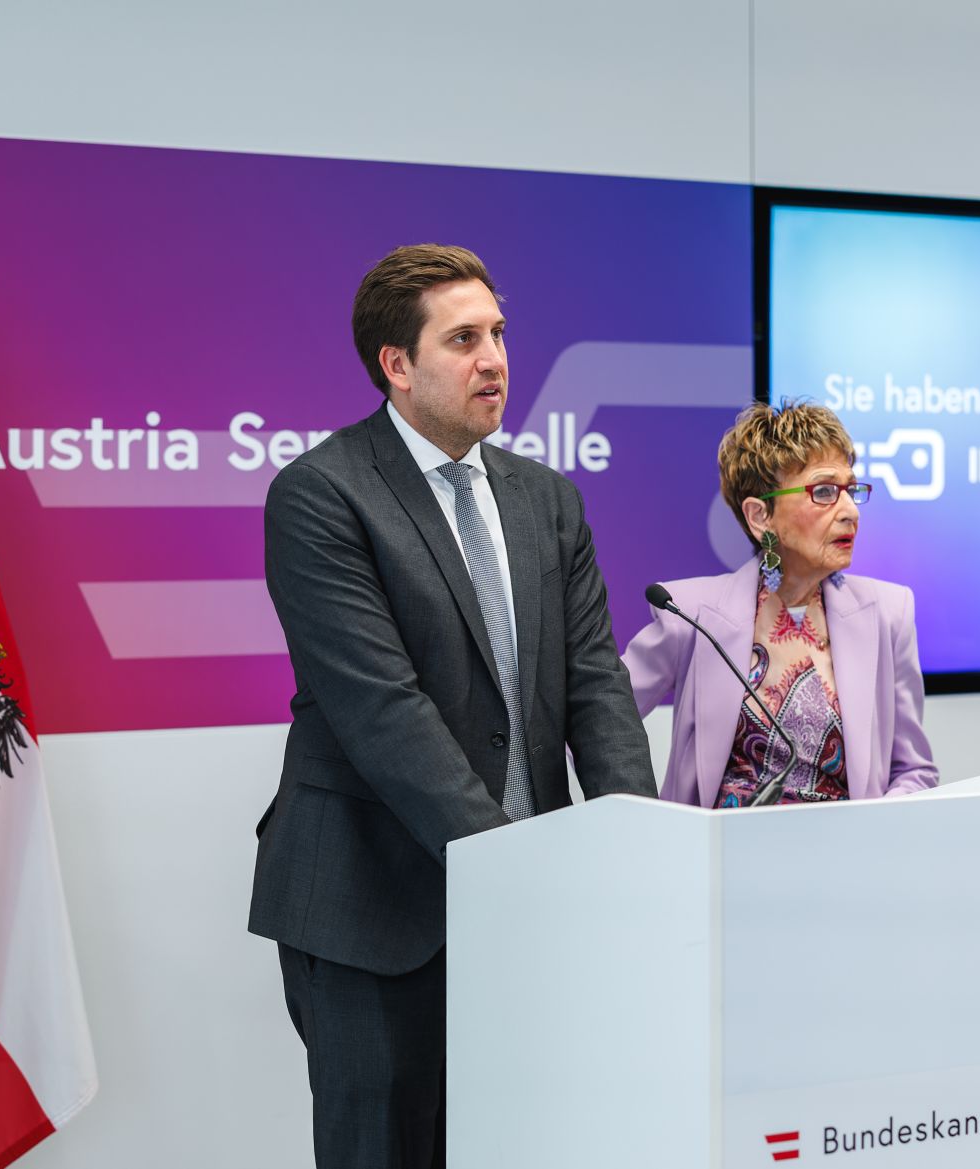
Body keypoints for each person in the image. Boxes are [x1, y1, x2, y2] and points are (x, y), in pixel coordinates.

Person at [249, 244, 656, 1168]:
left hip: (529, 907)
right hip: (375, 910)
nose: (495, 359)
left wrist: (636, 847)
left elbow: (596, 683)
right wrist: (516, 872)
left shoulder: (547, 499)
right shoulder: (322, 495)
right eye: (464, 339)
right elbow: (383, 712)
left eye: (499, 334)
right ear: (398, 364)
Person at [623, 400, 936, 808]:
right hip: (721, 847)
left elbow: (914, 771)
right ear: (760, 516)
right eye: (824, 492)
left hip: (849, 846)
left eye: (850, 490)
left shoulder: (888, 613)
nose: (850, 512)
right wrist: (643, 820)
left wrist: (879, 822)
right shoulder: (691, 615)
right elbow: (597, 723)